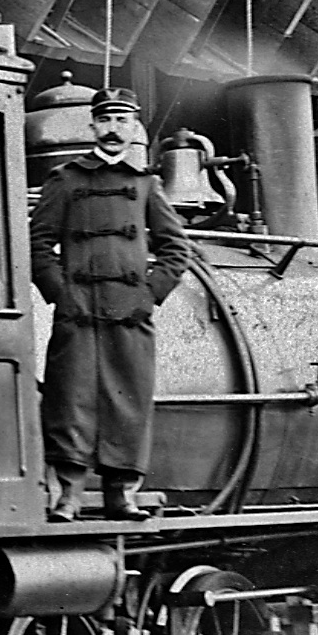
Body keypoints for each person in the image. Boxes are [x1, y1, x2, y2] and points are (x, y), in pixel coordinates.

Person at [29, 87, 190, 520]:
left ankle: (123, 495)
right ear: (92, 126)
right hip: (78, 312)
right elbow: (37, 242)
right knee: (70, 400)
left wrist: (148, 295)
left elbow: (177, 248)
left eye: (122, 120)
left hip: (130, 314)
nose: (113, 128)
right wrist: (60, 293)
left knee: (128, 401)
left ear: (134, 127)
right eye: (105, 120)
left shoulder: (146, 184)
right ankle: (69, 496)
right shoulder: (65, 180)